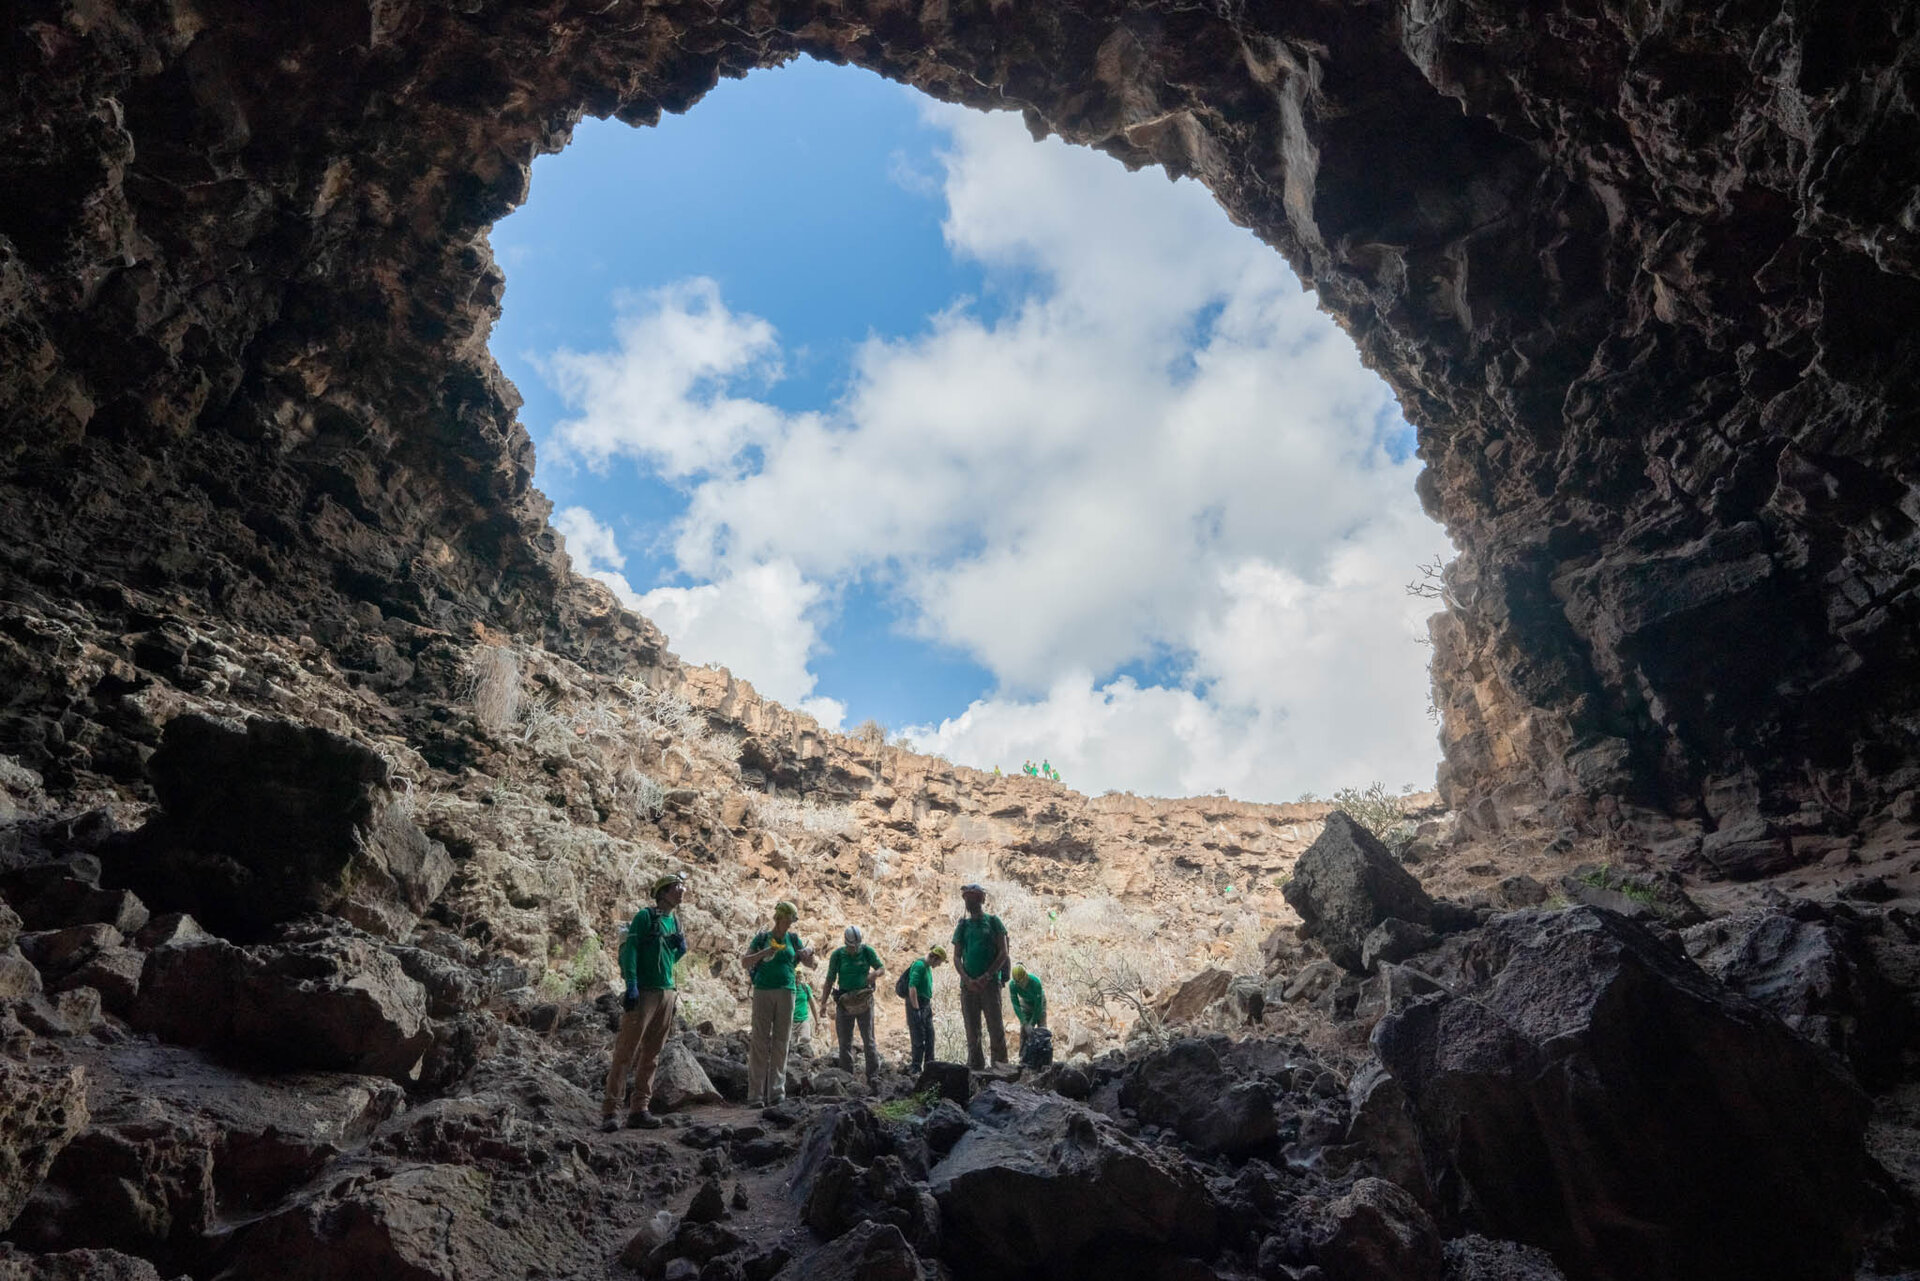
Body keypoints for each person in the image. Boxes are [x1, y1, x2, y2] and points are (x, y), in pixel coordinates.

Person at [602, 872, 689, 1131]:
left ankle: (640, 1109)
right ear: (663, 892)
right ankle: (611, 1111)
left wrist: (680, 949)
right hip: (645, 992)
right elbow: (631, 951)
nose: (682, 890)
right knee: (626, 1052)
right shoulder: (645, 917)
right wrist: (631, 985)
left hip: (667, 991)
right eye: (677, 886)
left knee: (652, 1054)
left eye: (682, 886)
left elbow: (669, 958)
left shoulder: (676, 922)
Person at [742, 900, 813, 1108]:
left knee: (782, 1041)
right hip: (763, 990)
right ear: (780, 917)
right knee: (759, 1041)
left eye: (792, 920)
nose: (790, 924)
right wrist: (765, 953)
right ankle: (755, 1094)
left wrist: (808, 954)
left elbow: (810, 964)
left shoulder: (793, 939)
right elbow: (745, 961)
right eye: (789, 919)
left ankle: (776, 1092)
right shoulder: (763, 938)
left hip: (787, 991)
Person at [950, 883, 1010, 1068]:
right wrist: (967, 979)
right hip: (968, 987)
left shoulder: (993, 922)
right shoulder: (963, 926)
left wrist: (987, 975)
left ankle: (1000, 1070)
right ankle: (975, 1070)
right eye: (967, 898)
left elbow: (1003, 953)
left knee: (996, 1029)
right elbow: (956, 956)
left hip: (990, 985)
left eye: (973, 897)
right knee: (972, 1031)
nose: (969, 901)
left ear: (981, 900)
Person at [822, 925, 885, 1084]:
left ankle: (873, 1076)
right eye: (851, 946)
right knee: (844, 1041)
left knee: (868, 1039)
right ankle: (846, 1078)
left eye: (857, 946)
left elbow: (881, 968)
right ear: (846, 943)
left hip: (864, 999)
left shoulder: (867, 951)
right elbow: (829, 979)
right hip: (845, 1002)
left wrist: (875, 974)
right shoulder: (837, 955)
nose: (854, 949)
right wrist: (823, 1003)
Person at [903, 945, 947, 1075]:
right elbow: (912, 987)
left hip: (925, 1005)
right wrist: (916, 1010)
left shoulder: (927, 967)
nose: (939, 965)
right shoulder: (920, 966)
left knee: (929, 1036)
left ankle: (930, 1067)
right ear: (935, 958)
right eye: (939, 962)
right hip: (917, 1005)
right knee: (918, 1038)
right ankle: (916, 1068)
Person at [1009, 963, 1047, 1059]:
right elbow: (1016, 1005)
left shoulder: (1035, 982)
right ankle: (1023, 1058)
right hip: (1025, 1002)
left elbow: (1038, 1006)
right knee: (1024, 1031)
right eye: (1020, 983)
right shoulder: (1013, 985)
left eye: (1024, 981)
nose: (1022, 985)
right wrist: (1025, 1022)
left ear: (1026, 976)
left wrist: (1032, 1022)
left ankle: (1044, 1057)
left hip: (1038, 1001)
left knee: (1042, 1029)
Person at [792, 976, 816, 1056]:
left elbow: (812, 1004)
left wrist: (818, 1022)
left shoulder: (805, 988)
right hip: (791, 1021)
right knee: (790, 1046)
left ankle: (804, 1061)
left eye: (799, 975)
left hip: (803, 1020)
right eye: (796, 975)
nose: (797, 978)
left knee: (805, 1039)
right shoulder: (788, 988)